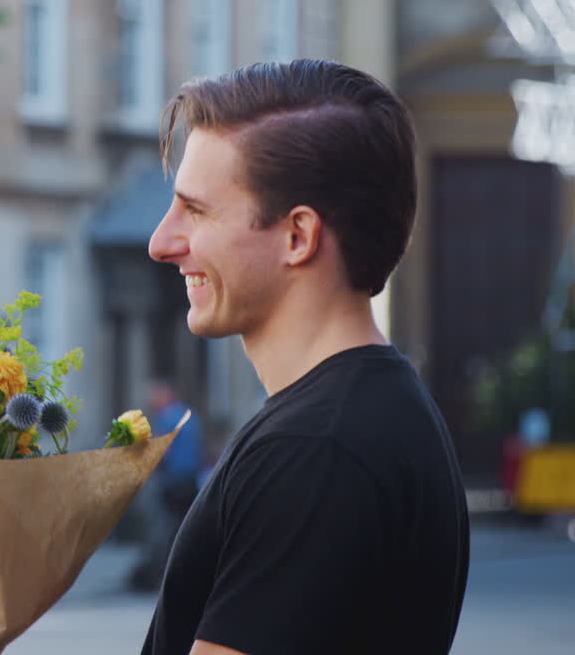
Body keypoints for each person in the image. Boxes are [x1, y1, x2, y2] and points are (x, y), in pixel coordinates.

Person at [141, 59, 469, 655]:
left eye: (197, 210)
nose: (162, 242)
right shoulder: (368, 412)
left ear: (298, 236)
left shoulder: (315, 449)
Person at [129, 380, 202, 591]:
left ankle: (162, 574)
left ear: (166, 395)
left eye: (155, 396)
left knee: (164, 529)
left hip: (173, 484)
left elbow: (162, 451)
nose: (151, 401)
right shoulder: (190, 416)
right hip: (189, 481)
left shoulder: (168, 418)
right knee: (185, 528)